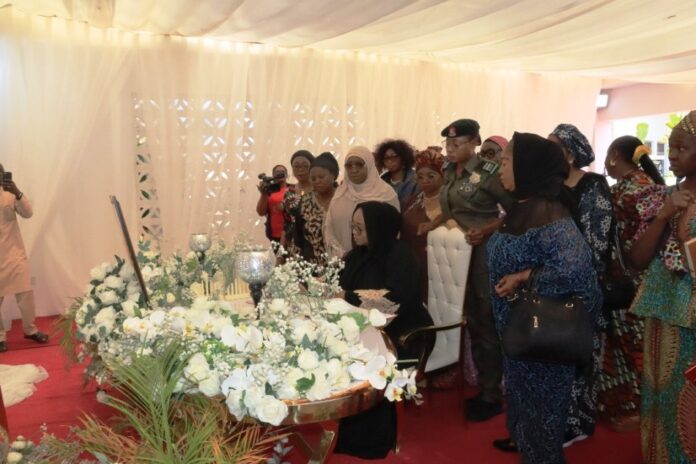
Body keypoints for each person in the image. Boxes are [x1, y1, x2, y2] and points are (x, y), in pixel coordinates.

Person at [488, 132, 601, 463]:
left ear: (528, 166)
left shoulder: (550, 214)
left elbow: (578, 275)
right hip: (518, 335)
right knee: (525, 420)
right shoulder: (522, 206)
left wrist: (526, 277)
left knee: (543, 428)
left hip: (543, 341)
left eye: (506, 162)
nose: (499, 169)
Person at [334, 201, 434, 459]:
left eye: (360, 228)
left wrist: (348, 296)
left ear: (378, 228)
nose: (354, 233)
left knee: (370, 358)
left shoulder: (401, 256)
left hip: (404, 329)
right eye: (352, 227)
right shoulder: (358, 255)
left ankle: (371, 437)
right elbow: (341, 287)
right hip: (366, 323)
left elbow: (393, 298)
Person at [630, 111, 696, 464]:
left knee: (689, 402)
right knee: (658, 396)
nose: (672, 155)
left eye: (681, 148)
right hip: (660, 310)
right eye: (671, 148)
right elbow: (638, 258)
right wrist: (665, 214)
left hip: (693, 318)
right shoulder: (662, 197)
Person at [439, 118, 514, 421]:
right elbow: (448, 210)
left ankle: (491, 394)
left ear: (474, 143)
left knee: (484, 321)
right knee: (468, 317)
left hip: (483, 252)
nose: (451, 148)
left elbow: (516, 211)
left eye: (457, 144)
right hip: (455, 253)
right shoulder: (448, 172)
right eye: (448, 143)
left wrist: (487, 229)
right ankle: (481, 385)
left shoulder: (488, 172)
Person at [549, 123, 612, 444]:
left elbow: (596, 244)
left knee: (579, 358)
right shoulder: (551, 185)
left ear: (571, 154)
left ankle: (578, 425)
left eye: (554, 147)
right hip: (550, 286)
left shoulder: (593, 186)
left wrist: (567, 273)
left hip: (581, 286)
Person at [599, 136, 664, 431]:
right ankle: (626, 404)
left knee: (634, 343)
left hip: (634, 277)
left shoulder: (632, 189)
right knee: (626, 341)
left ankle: (641, 408)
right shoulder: (646, 185)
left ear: (614, 155)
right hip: (632, 276)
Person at [0, 164, 48, 352]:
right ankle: (0, 337)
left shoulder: (11, 194)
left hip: (14, 255)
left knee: (26, 295)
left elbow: (28, 213)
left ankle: (30, 330)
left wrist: (18, 192)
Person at [324, 146, 399, 258]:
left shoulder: (386, 194)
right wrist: (342, 255)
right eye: (349, 165)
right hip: (342, 261)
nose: (354, 169)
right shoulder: (340, 194)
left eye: (359, 164)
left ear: (369, 164)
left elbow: (394, 231)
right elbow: (328, 229)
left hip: (377, 262)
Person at [400, 147, 445, 303]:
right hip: (413, 266)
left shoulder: (451, 202)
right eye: (420, 176)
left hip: (441, 267)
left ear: (442, 176)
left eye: (431, 175)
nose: (424, 180)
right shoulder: (410, 202)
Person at [293, 152, 338, 265]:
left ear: (333, 176)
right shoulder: (305, 202)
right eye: (313, 178)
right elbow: (297, 238)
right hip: (311, 268)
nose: (317, 181)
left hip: (342, 266)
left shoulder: (344, 199)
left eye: (321, 177)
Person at [281, 150, 314, 252]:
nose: (300, 169)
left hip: (315, 243)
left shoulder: (318, 190)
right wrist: (280, 254)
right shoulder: (289, 192)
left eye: (305, 166)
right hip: (294, 245)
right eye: (296, 166)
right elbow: (286, 224)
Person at [375, 139, 419, 207]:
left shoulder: (416, 180)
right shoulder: (381, 181)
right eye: (386, 158)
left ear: (404, 157)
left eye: (394, 156)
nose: (390, 161)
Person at [256, 164, 289, 244]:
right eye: (277, 172)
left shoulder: (293, 189)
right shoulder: (269, 191)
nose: (280, 174)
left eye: (282, 172)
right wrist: (263, 194)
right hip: (275, 233)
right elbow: (261, 212)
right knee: (279, 256)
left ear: (287, 175)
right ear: (273, 176)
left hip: (292, 232)